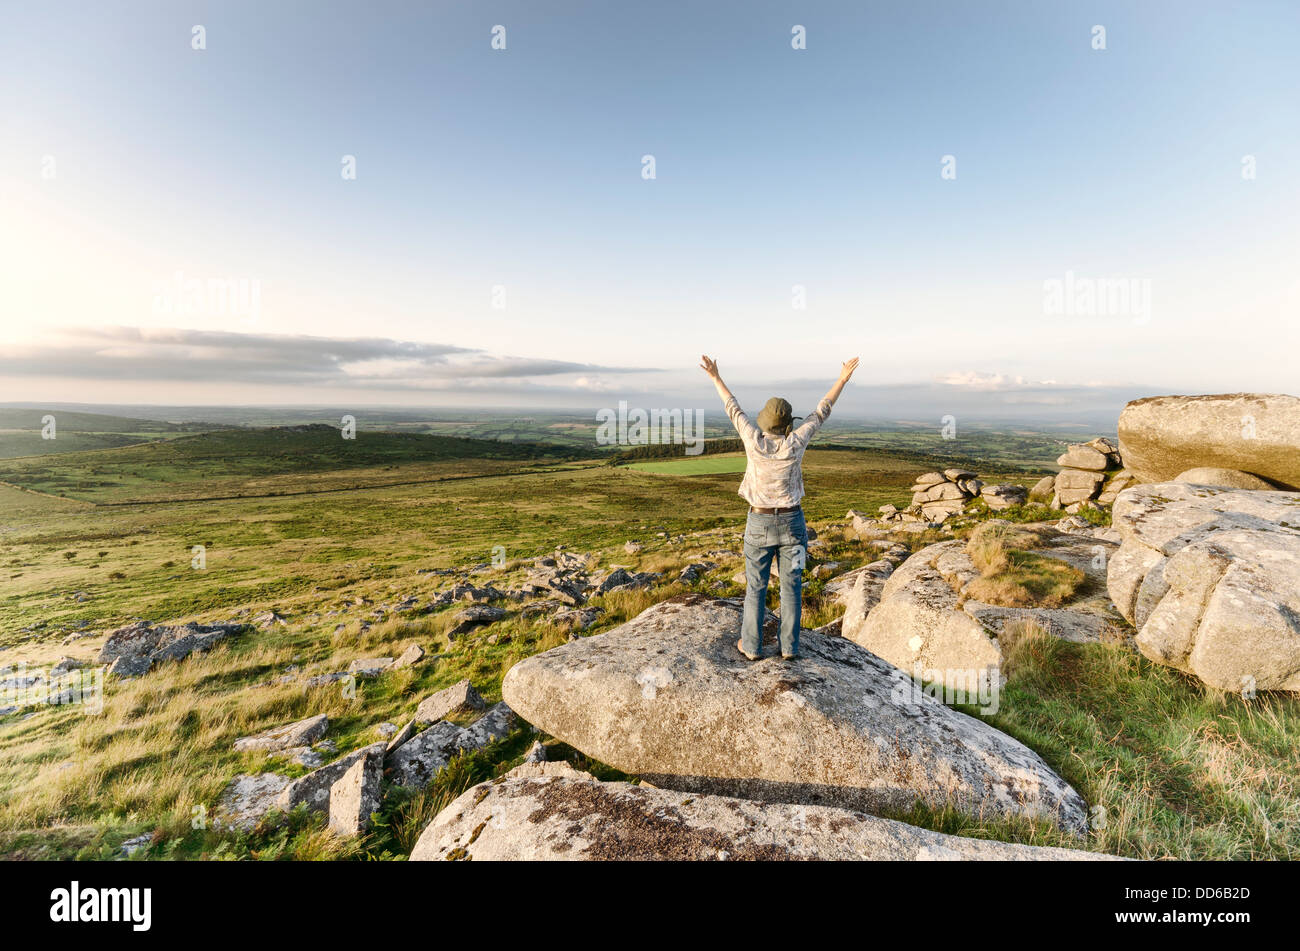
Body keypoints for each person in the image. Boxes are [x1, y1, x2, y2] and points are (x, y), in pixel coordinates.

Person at [700, 355, 859, 660]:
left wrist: (715, 377)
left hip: (758, 524)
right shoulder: (796, 442)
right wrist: (842, 379)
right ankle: (789, 648)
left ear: (764, 421)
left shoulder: (753, 439)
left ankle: (751, 646)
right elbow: (821, 411)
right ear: (787, 424)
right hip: (793, 524)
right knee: (792, 587)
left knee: (756, 587)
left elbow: (733, 408)